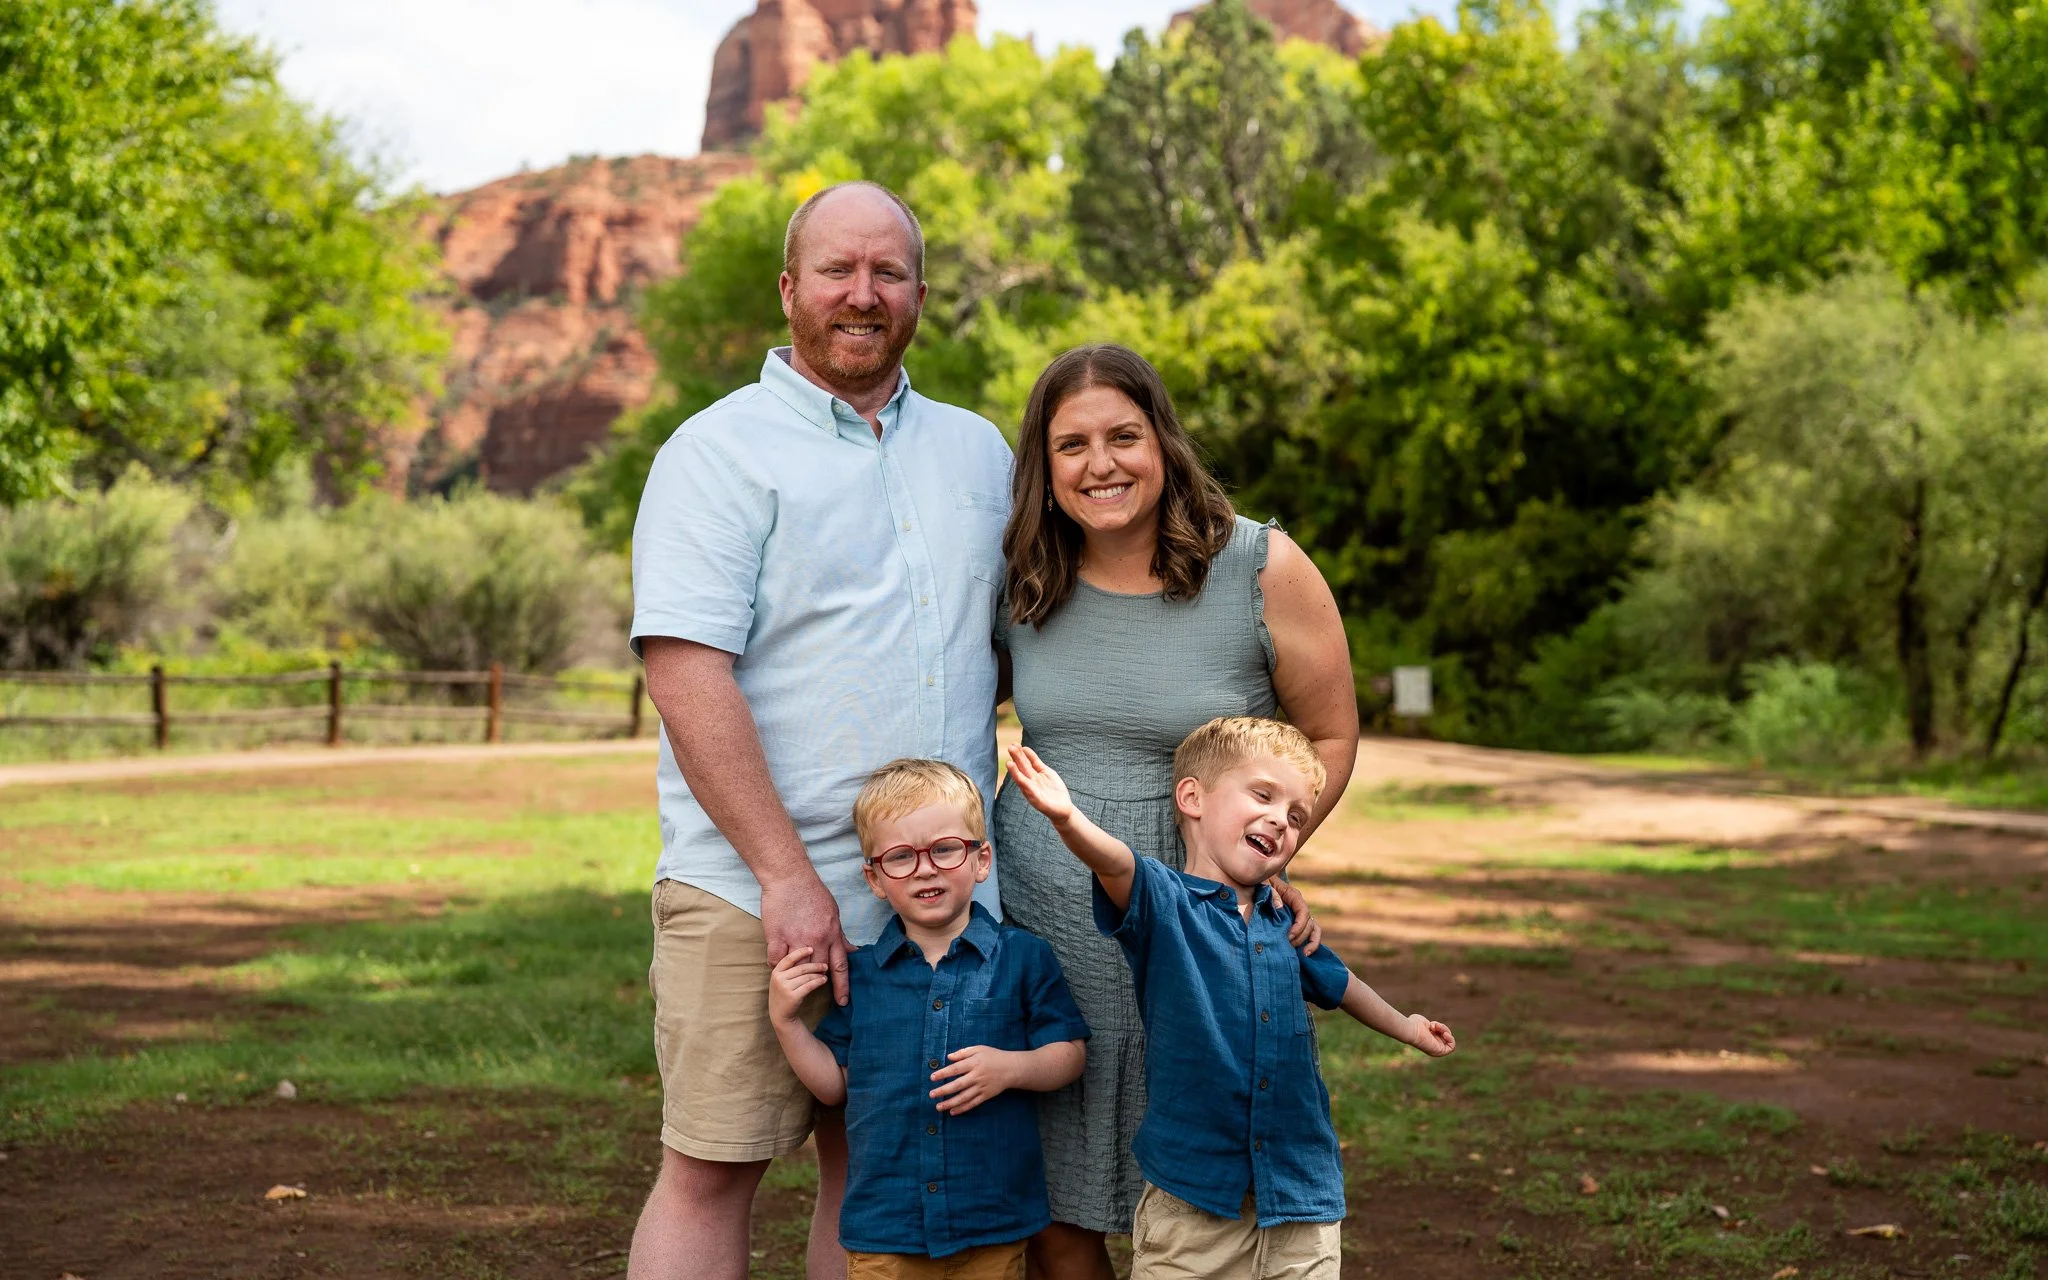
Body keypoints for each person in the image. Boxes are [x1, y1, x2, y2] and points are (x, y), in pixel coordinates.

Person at [626, 181, 1014, 1280]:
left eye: (886, 272)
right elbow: (685, 671)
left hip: (932, 898)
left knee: (874, 1163)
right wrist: (784, 871)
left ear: (920, 296)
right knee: (712, 1165)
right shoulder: (715, 452)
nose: (862, 293)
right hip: (751, 889)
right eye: (837, 270)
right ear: (790, 289)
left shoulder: (979, 452)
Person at [991, 343, 1359, 1276]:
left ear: (1164, 439)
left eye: (1124, 435)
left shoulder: (1260, 565)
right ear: (1044, 464)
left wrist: (1265, 860)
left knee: (1215, 1180)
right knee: (1053, 1186)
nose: (1100, 464)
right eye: (1071, 445)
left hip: (1204, 926)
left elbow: (1329, 737)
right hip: (1046, 914)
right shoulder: (1024, 574)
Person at [1006, 719, 1456, 1279]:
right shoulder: (1166, 903)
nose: (1280, 820)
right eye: (1262, 795)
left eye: (1296, 817)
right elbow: (1115, 862)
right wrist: (1067, 817)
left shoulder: (1286, 923)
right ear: (1192, 798)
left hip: (1299, 1191)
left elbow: (1344, 987)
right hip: (1195, 1196)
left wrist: (1407, 1027)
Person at [767, 759, 1091, 1280]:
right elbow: (835, 1087)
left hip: (991, 1217)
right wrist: (788, 1024)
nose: (925, 868)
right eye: (900, 857)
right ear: (873, 878)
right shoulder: (862, 976)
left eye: (945, 849)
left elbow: (1070, 1053)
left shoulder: (1024, 958)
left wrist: (1011, 1069)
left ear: (981, 859)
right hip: (887, 1226)